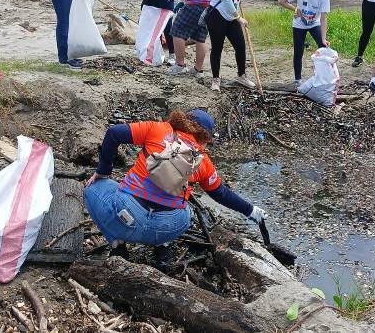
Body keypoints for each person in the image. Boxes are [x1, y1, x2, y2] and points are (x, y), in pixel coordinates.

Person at [84, 109, 267, 268]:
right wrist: (251, 210)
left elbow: (114, 133)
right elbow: (221, 193)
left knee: (92, 188)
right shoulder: (202, 161)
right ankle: (163, 247)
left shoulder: (157, 129)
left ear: (182, 120)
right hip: (166, 227)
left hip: (127, 218)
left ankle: (118, 244)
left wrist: (103, 171)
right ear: (205, 137)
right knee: (185, 211)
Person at [207, 0, 263, 91]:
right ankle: (215, 79)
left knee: (240, 45)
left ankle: (241, 75)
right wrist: (238, 18)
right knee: (217, 47)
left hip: (231, 16)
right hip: (217, 15)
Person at [278, 0, 330, 86]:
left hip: (314, 23)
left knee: (323, 47)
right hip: (299, 24)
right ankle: (297, 79)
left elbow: (323, 18)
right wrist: (296, 9)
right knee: (298, 51)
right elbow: (281, 1)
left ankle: (322, 77)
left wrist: (323, 38)